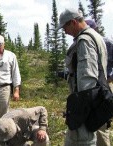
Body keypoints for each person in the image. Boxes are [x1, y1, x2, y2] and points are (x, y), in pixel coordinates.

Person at [56, 8, 107, 145]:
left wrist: (79, 110)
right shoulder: (96, 37)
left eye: (65, 27)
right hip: (94, 100)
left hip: (85, 104)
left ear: (73, 22)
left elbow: (87, 78)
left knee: (84, 141)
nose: (64, 31)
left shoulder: (84, 41)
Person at [85, 19, 112, 146]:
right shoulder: (84, 43)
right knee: (88, 121)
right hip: (90, 88)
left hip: (104, 87)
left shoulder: (107, 43)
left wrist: (109, 79)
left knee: (101, 123)